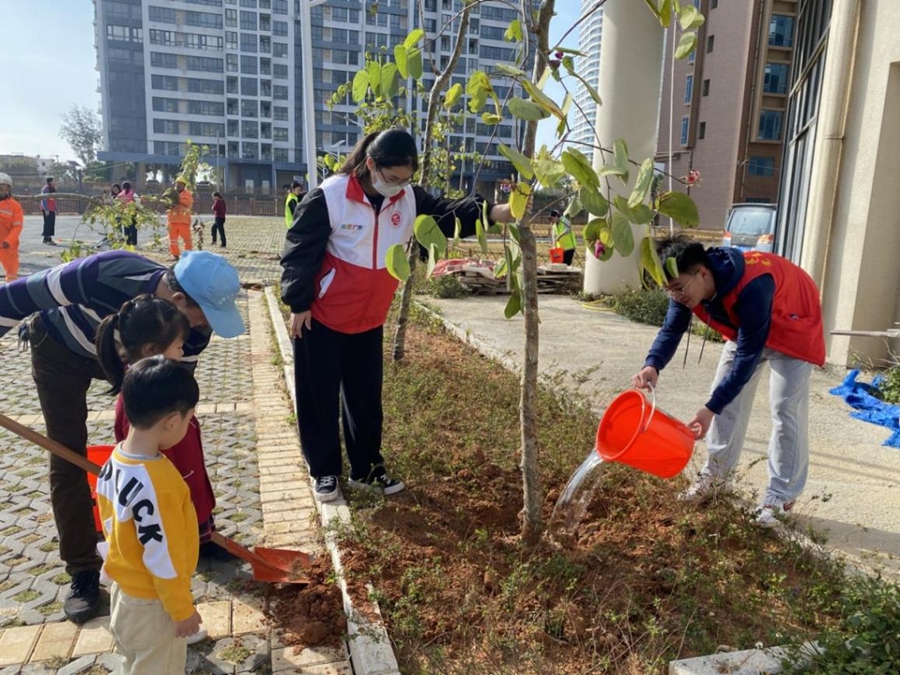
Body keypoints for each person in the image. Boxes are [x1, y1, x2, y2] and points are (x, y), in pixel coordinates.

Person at [2, 250, 244, 624]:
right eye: (206, 315)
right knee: (67, 455)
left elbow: (173, 405)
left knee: (178, 432)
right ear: (178, 300)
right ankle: (83, 569)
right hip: (60, 349)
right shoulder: (102, 274)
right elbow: (12, 299)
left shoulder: (192, 332)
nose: (206, 326)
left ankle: (197, 530)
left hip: (132, 359)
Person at [281, 128, 521, 502]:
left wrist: (499, 212)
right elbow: (299, 250)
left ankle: (366, 470)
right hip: (322, 317)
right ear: (370, 164)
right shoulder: (330, 196)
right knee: (318, 398)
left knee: (365, 401)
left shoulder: (408, 198)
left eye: (406, 180)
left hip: (369, 319)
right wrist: (298, 303)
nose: (398, 187)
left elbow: (447, 213)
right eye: (392, 178)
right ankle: (324, 471)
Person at [631, 236, 825, 527]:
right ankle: (717, 478)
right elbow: (671, 329)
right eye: (668, 290)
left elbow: (747, 356)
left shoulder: (753, 285)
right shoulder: (684, 288)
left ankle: (781, 496)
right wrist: (652, 365)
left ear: (703, 273)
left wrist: (710, 408)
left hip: (793, 322)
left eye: (678, 288)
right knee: (724, 401)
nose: (676, 296)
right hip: (747, 328)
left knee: (785, 409)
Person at [97, 356, 203, 673]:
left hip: (124, 595)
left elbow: (109, 524)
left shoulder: (114, 460)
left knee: (135, 663)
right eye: (188, 420)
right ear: (171, 422)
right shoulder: (159, 485)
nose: (187, 427)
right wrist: (181, 610)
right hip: (155, 605)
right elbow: (162, 556)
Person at [95, 295, 218, 554]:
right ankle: (192, 548)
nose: (182, 353)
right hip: (171, 492)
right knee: (178, 538)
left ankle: (204, 543)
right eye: (178, 346)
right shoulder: (139, 399)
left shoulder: (161, 383)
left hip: (185, 477)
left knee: (192, 521)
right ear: (151, 350)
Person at [0, 173, 23, 283]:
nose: (0, 188)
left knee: (11, 273)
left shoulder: (15, 206)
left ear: (8, 188)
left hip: (7, 245)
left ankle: (10, 289)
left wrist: (8, 241)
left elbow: (17, 227)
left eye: (2, 186)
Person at [167, 176, 193, 260]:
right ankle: (175, 255)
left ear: (184, 185)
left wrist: (178, 199)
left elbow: (188, 203)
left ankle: (188, 255)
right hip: (172, 220)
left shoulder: (187, 194)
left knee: (187, 240)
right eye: (177, 183)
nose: (178, 185)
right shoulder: (171, 193)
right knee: (172, 240)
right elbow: (166, 203)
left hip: (183, 221)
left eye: (180, 184)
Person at [117, 181, 139, 250]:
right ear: (130, 187)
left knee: (126, 229)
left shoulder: (120, 195)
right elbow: (138, 202)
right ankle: (134, 243)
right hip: (132, 213)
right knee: (133, 229)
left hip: (124, 214)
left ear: (122, 187)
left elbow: (117, 203)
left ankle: (127, 243)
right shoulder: (133, 194)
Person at [40, 176, 57, 246]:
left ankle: (45, 238)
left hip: (52, 208)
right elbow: (43, 200)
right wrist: (46, 209)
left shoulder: (52, 188)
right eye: (53, 181)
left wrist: (55, 209)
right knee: (48, 223)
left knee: (50, 223)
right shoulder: (45, 189)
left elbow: (53, 200)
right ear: (50, 182)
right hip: (47, 209)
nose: (54, 182)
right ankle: (49, 239)